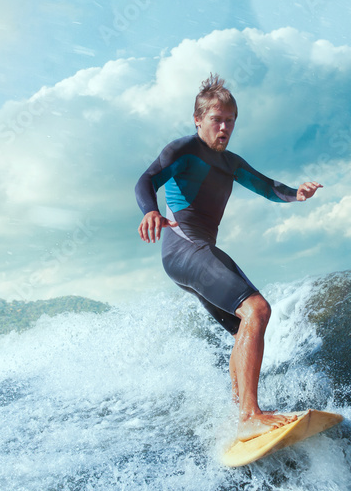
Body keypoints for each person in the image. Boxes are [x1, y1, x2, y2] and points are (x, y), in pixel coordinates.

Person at [136, 74, 322, 440]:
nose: (224, 127)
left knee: (243, 327)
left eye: (230, 120)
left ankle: (239, 413)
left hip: (198, 252)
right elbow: (146, 179)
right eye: (217, 119)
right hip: (183, 247)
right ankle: (251, 414)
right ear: (198, 119)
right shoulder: (182, 150)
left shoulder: (232, 163)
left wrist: (296, 193)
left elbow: (268, 187)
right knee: (257, 309)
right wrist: (149, 210)